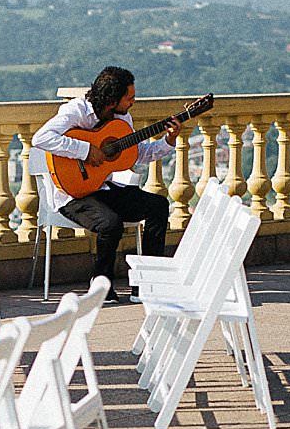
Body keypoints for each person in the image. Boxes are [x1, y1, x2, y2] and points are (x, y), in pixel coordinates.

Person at [31, 66, 180, 302]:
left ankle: (148, 282)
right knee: (110, 224)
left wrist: (168, 140)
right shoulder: (76, 110)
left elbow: (137, 154)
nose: (133, 102)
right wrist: (85, 150)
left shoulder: (121, 118)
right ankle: (101, 283)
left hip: (103, 187)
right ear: (112, 100)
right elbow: (41, 138)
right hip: (73, 193)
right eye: (129, 98)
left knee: (158, 206)